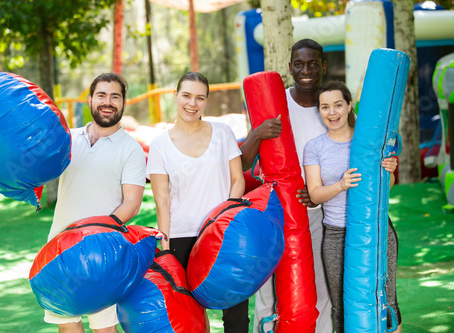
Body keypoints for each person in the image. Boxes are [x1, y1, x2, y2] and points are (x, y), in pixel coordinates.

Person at [241, 38, 333, 333]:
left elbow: (347, 153)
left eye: (312, 64)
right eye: (299, 64)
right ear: (290, 68)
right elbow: (243, 162)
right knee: (267, 287)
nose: (305, 70)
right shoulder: (275, 102)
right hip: (275, 209)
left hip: (316, 209)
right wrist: (257, 134)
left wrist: (319, 190)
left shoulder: (331, 106)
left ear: (323, 67)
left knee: (318, 284)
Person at [147, 72, 249, 332]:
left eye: (199, 98)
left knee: (236, 315)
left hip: (222, 236)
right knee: (189, 319)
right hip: (181, 238)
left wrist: (226, 219)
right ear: (176, 96)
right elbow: (162, 201)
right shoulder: (159, 145)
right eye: (187, 96)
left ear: (206, 101)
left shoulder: (223, 133)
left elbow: (237, 180)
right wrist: (166, 248)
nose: (192, 103)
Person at [45, 73, 147, 333]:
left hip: (101, 252)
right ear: (90, 100)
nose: (108, 102)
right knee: (67, 324)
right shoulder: (68, 138)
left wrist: (95, 234)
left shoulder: (131, 149)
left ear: (123, 103)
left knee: (104, 328)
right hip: (58, 248)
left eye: (115, 96)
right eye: (101, 95)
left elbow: (132, 203)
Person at [303, 80, 402, 333]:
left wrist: (390, 171)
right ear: (319, 111)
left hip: (375, 229)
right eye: (325, 107)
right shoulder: (314, 147)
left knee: (386, 298)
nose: (332, 112)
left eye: (338, 105)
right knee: (341, 304)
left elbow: (387, 185)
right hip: (336, 232)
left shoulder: (368, 141)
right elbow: (314, 194)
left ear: (349, 106)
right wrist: (341, 185)